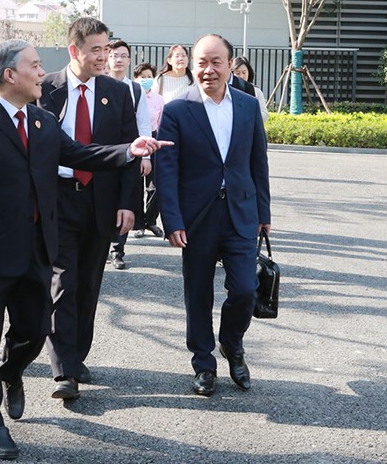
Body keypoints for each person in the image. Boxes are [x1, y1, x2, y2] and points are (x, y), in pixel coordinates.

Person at [0, 39, 169, 461]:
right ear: (9, 74)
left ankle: (10, 371)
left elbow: (80, 154)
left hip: (37, 249)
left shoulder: (43, 121)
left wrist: (128, 149)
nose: (40, 73)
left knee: (34, 330)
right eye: (33, 66)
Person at [155, 33, 271, 397]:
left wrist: (264, 212)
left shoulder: (247, 105)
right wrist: (172, 220)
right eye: (201, 62)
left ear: (230, 65)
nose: (208, 70)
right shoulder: (177, 109)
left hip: (241, 212)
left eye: (216, 62)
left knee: (245, 289)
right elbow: (166, 170)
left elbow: (258, 161)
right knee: (198, 293)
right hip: (197, 217)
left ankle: (231, 343)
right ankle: (203, 363)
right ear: (192, 65)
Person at [37, 17, 140, 400]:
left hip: (100, 200)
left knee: (88, 285)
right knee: (63, 282)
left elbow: (129, 151)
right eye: (96, 49)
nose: (103, 56)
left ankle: (76, 355)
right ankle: (64, 370)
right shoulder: (45, 89)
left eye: (106, 48)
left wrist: (128, 204)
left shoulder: (117, 92)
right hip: (57, 199)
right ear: (74, 50)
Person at [106, 39, 152, 270]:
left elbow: (144, 122)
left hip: (128, 152)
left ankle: (117, 249)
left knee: (124, 198)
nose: (119, 59)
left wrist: (146, 157)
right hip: (102, 154)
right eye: (114, 55)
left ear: (129, 60)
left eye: (123, 55)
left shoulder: (135, 89)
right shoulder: (98, 85)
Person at [132, 62, 165, 239]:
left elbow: (161, 123)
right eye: (142, 77)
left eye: (149, 77)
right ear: (135, 78)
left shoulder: (159, 100)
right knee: (136, 185)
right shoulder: (131, 94)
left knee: (155, 185)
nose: (146, 80)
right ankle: (138, 224)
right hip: (134, 140)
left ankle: (151, 220)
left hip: (153, 139)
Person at [232, 56, 269, 123]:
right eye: (237, 73)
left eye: (244, 72)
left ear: (249, 72)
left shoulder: (256, 91)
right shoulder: (227, 90)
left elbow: (265, 114)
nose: (241, 76)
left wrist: (249, 118)